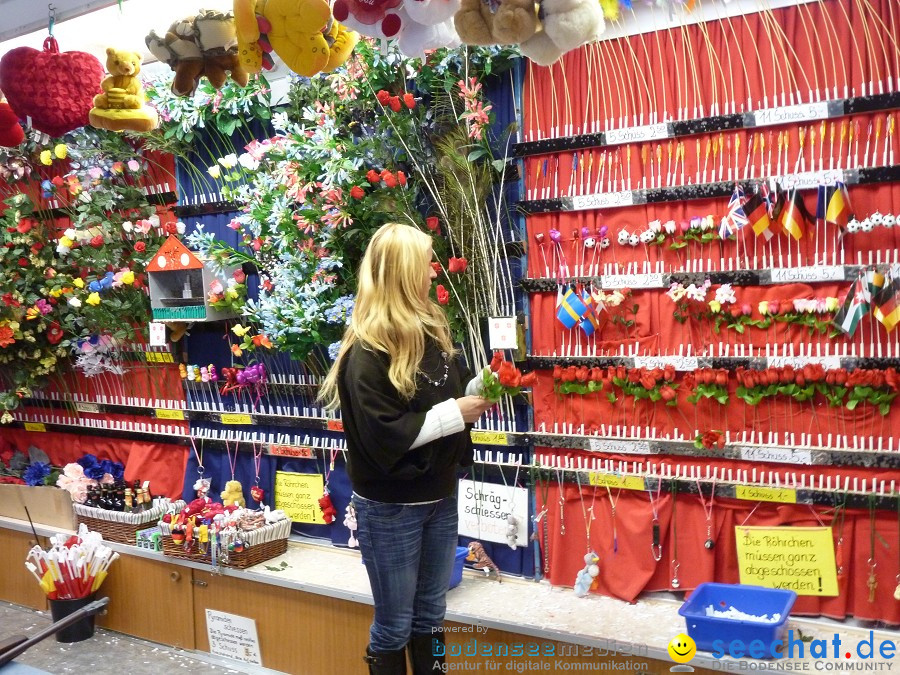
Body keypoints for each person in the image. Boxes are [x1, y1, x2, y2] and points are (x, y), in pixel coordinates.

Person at [320, 222, 493, 675]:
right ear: (402, 274)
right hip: (391, 508)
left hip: (440, 497)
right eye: (426, 265)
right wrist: (459, 412)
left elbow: (445, 394)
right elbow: (386, 435)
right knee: (396, 624)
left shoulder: (431, 331)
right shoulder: (366, 353)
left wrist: (485, 386)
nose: (435, 274)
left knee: (431, 618)